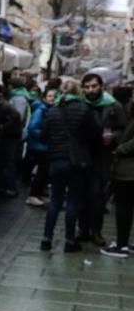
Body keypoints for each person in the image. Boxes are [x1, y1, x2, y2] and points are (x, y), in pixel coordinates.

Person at [41, 78, 101, 252]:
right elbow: (96, 133)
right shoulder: (84, 109)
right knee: (73, 201)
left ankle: (46, 239)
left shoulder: (53, 110)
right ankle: (69, 241)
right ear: (78, 91)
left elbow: (44, 135)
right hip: (77, 161)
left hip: (56, 160)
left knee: (55, 200)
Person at [79, 72, 128, 247]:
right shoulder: (80, 104)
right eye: (87, 87)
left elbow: (125, 131)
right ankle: (82, 230)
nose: (90, 90)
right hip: (82, 156)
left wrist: (113, 136)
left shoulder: (113, 106)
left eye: (94, 86)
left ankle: (96, 231)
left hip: (102, 157)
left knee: (97, 196)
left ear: (101, 86)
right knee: (81, 196)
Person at [103, 107, 134, 257]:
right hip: (127, 170)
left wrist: (120, 149)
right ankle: (124, 243)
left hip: (128, 171)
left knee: (123, 207)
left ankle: (121, 246)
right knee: (125, 208)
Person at [24, 88, 56, 207]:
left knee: (44, 171)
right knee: (41, 172)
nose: (52, 98)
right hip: (39, 146)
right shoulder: (40, 110)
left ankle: (39, 194)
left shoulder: (48, 110)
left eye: (54, 96)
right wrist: (44, 136)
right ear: (44, 98)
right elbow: (32, 128)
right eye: (49, 96)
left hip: (45, 146)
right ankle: (33, 195)